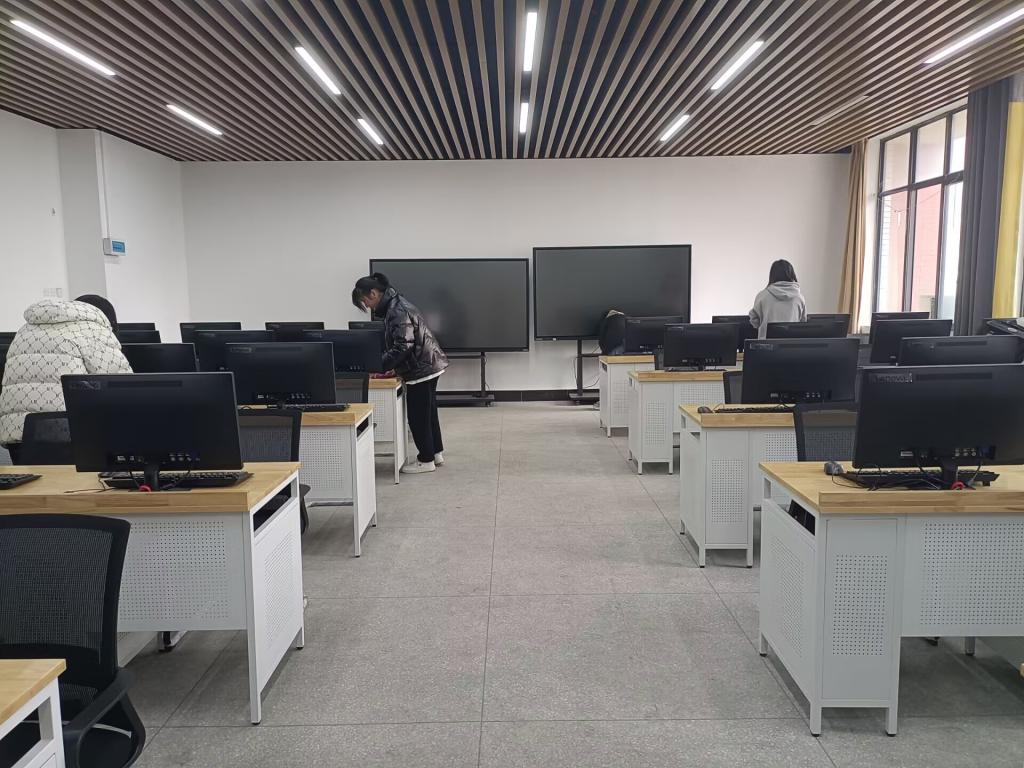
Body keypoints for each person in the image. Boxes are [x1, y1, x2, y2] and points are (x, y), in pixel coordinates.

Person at [0, 294, 132, 461]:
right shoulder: (93, 329)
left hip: (20, 437)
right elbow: (121, 385)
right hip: (70, 438)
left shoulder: (25, 330)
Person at [352, 273, 449, 474]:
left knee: (418, 416)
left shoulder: (396, 310)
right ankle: (435, 453)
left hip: (420, 367)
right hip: (429, 363)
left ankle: (426, 460)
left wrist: (378, 366)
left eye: (365, 301)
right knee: (428, 413)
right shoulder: (396, 304)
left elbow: (403, 345)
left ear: (373, 293)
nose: (367, 306)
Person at [748, 259, 806, 338]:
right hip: (791, 343)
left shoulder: (762, 296)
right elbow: (803, 323)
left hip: (766, 344)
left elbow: (753, 318)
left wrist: (762, 328)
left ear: (772, 275)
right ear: (792, 274)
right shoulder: (799, 298)